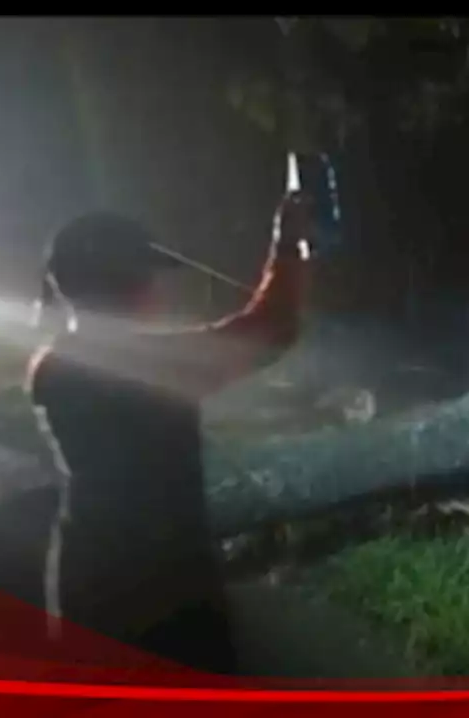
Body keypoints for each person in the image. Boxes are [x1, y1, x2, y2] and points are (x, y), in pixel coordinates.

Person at [27, 187, 312, 674]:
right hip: (161, 587)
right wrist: (288, 245)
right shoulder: (133, 365)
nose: (159, 291)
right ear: (126, 284)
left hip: (89, 576)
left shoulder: (54, 365)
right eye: (148, 278)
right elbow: (271, 330)